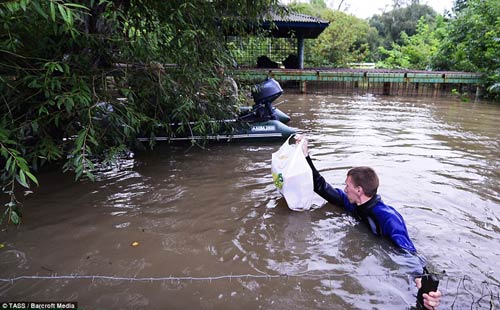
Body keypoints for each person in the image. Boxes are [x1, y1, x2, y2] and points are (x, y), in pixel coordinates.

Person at [296, 135, 442, 310]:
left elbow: (409, 253)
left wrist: (421, 280)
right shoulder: (353, 203)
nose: (344, 189)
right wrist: (305, 156)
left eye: (347, 186)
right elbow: (321, 186)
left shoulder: (388, 217)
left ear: (359, 190)